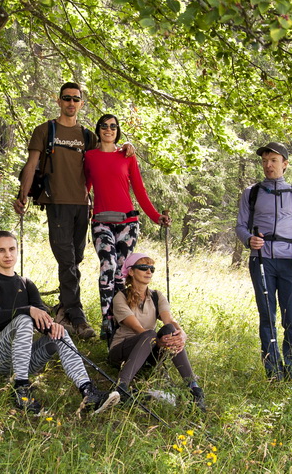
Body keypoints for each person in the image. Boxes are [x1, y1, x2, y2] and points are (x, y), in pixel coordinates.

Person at [0, 231, 120, 414]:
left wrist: (51, 326)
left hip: (23, 362)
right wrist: (28, 310)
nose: (8, 254)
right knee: (24, 319)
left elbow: (41, 321)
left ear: (17, 251)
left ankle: (88, 393)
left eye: (11, 249)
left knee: (60, 331)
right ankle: (21, 391)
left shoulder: (26, 284)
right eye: (1, 250)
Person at [14, 82, 99, 339]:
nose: (71, 103)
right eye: (67, 98)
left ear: (81, 103)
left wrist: (126, 148)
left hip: (82, 204)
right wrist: (22, 195)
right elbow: (31, 165)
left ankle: (63, 310)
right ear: (59, 100)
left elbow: (102, 163)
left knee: (75, 259)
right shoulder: (44, 130)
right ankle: (78, 317)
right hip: (56, 202)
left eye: (76, 99)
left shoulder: (88, 136)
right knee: (66, 259)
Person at [85, 113, 170, 341]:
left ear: (118, 130)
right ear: (98, 129)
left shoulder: (127, 155)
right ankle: (107, 321)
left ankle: (122, 322)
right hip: (101, 221)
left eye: (113, 126)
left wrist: (156, 217)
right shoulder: (90, 157)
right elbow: (84, 188)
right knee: (108, 265)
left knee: (121, 273)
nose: (108, 129)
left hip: (127, 224)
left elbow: (139, 190)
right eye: (104, 126)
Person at [235, 142, 292, 381]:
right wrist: (249, 240)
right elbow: (240, 226)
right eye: (265, 161)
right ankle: (273, 373)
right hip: (261, 260)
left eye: (274, 161)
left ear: (284, 164)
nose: (268, 165)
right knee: (267, 316)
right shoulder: (252, 192)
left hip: (290, 261)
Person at [106, 253, 206, 411]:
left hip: (149, 349)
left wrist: (181, 333)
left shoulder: (156, 296)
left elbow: (168, 320)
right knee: (150, 334)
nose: (149, 272)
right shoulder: (121, 296)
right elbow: (138, 329)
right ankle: (121, 386)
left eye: (151, 269)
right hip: (122, 350)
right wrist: (158, 342)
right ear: (131, 272)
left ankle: (194, 387)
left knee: (171, 331)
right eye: (143, 268)